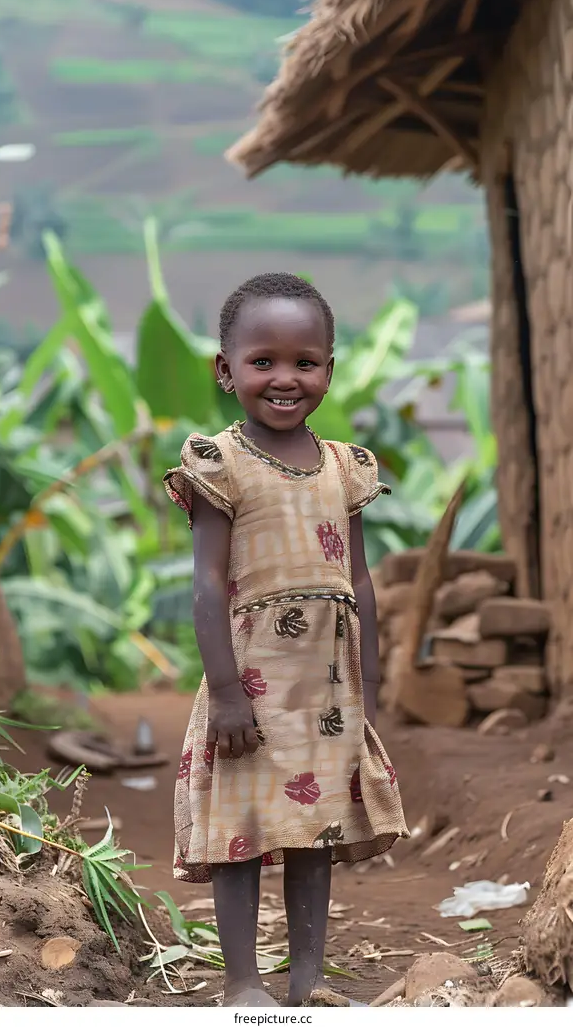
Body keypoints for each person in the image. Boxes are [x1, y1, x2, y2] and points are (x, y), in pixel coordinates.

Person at [163, 273, 407, 1007]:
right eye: (263, 360)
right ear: (225, 369)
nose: (285, 378)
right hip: (253, 682)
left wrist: (369, 676)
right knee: (241, 831)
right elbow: (208, 586)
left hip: (328, 690)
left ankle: (306, 981)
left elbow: (358, 580)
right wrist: (229, 693)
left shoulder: (346, 467)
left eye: (306, 362)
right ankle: (242, 983)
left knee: (316, 828)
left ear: (330, 369)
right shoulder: (220, 463)